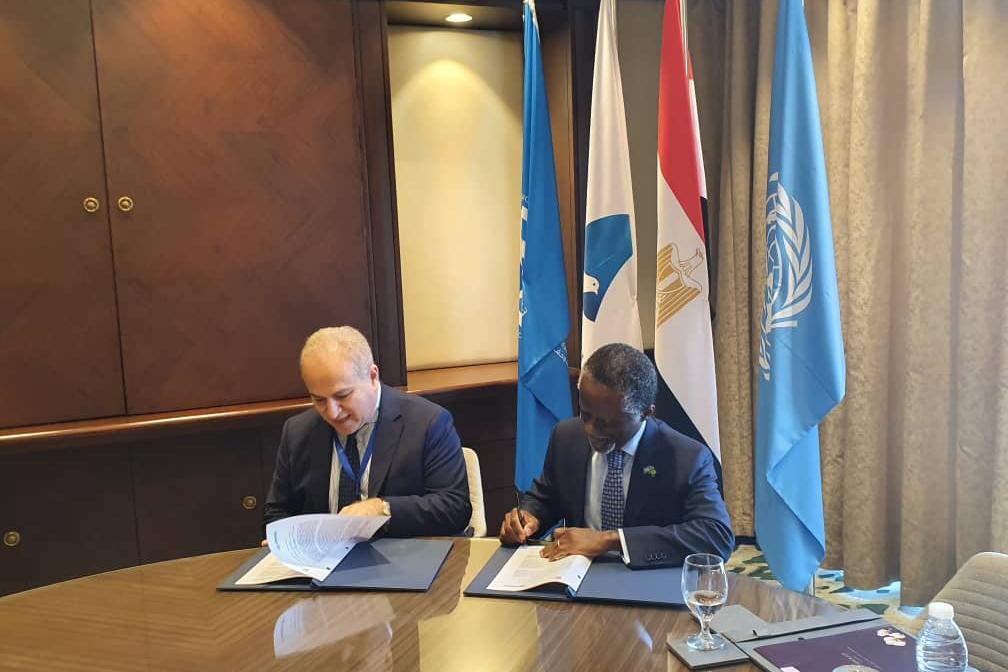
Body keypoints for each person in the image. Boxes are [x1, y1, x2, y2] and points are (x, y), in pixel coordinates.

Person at [500, 342, 733, 568]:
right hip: (576, 573)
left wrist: (611, 540)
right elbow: (545, 498)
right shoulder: (566, 437)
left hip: (645, 578)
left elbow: (717, 537)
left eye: (606, 423)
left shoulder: (686, 458)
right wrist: (529, 518)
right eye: (585, 414)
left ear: (646, 413)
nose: (590, 430)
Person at [264, 326, 471, 537]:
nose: (332, 412)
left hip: (401, 553)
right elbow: (277, 511)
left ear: (373, 376)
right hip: (325, 555)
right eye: (319, 400)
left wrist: (383, 509)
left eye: (343, 396)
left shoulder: (428, 422)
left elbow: (455, 507)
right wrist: (283, 538)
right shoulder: (298, 431)